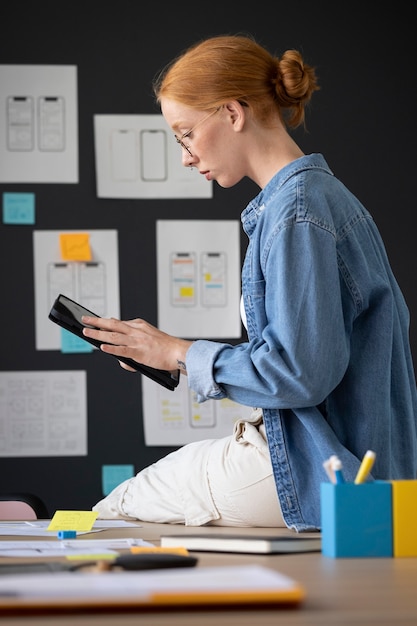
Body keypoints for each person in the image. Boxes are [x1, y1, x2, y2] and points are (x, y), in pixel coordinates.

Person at [85, 34, 417, 531]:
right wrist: (169, 355)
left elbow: (301, 373)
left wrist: (177, 352)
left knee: (110, 512)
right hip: (353, 465)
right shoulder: (318, 199)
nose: (185, 156)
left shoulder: (296, 212)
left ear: (233, 113)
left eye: (185, 133)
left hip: (323, 467)